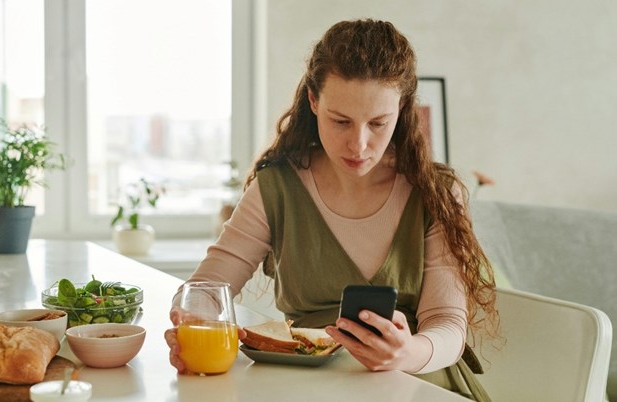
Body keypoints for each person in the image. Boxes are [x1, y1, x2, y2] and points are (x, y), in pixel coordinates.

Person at [165, 18, 498, 400]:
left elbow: (448, 326)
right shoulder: (277, 187)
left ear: (403, 108)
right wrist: (194, 319)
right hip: (307, 388)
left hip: (419, 385)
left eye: (378, 123)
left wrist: (407, 352)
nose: (358, 144)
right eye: (340, 121)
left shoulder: (436, 193)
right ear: (313, 101)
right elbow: (208, 288)